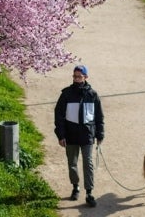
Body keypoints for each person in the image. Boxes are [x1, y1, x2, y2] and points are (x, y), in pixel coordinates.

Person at [54, 64, 104, 207]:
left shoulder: (93, 95)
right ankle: (75, 187)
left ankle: (89, 192)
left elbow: (99, 116)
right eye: (74, 76)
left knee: (88, 163)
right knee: (72, 163)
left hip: (88, 135)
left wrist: (100, 134)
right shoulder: (66, 94)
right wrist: (61, 135)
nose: (76, 79)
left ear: (85, 77)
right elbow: (59, 115)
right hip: (70, 135)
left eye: (79, 77)